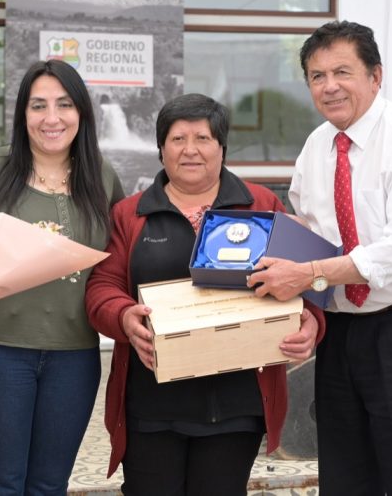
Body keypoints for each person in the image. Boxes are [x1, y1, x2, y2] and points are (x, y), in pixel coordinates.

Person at [247, 20, 392, 495]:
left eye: (342, 72)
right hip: (340, 330)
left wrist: (308, 273)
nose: (329, 87)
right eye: (316, 76)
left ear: (376, 76)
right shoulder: (315, 147)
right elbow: (306, 229)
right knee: (345, 476)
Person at [85, 93, 325, 495]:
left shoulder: (262, 205)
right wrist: (124, 316)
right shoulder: (129, 214)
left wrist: (310, 325)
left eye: (203, 138)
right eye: (178, 139)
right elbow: (102, 287)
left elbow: (308, 282)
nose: (190, 150)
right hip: (151, 404)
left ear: (222, 148)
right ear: (161, 149)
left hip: (238, 405)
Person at [0, 59, 124, 495]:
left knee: (51, 484)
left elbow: (119, 261)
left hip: (75, 356)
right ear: (22, 114)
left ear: (82, 113)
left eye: (64, 105)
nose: (52, 118)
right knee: (3, 483)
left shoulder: (101, 178)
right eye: (38, 106)